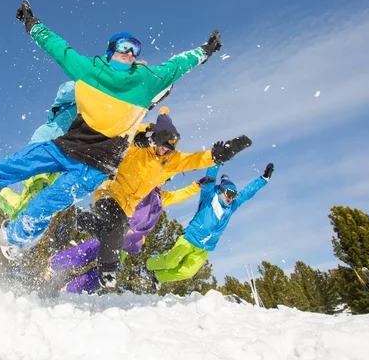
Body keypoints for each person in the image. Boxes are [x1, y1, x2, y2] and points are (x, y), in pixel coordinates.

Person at [0, 0, 223, 283]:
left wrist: (206, 50)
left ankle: (15, 237)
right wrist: (31, 23)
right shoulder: (90, 70)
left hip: (93, 168)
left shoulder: (146, 81)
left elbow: (179, 65)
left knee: (46, 203)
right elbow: (58, 48)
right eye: (123, 46)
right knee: (12, 165)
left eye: (135, 49)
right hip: (64, 147)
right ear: (111, 51)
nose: (129, 53)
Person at [75, 107, 252, 287]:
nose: (162, 150)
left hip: (127, 207)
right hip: (109, 192)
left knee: (116, 232)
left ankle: (84, 220)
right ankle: (107, 269)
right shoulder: (138, 146)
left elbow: (195, 160)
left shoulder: (171, 163)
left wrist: (218, 155)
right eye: (160, 145)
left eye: (167, 148)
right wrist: (145, 136)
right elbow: (123, 135)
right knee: (118, 228)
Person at [45, 177, 213, 294]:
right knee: (86, 253)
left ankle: (70, 291)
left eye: (166, 179)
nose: (162, 182)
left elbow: (179, 195)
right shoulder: (141, 188)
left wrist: (196, 185)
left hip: (130, 243)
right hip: (117, 233)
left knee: (103, 272)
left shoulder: (161, 198)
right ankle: (54, 264)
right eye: (161, 177)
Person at [140, 163, 275, 289]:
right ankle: (147, 265)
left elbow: (247, 192)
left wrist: (263, 179)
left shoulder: (232, 206)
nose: (232, 198)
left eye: (234, 195)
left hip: (205, 247)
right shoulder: (209, 195)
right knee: (170, 262)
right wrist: (217, 162)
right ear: (221, 191)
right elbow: (210, 178)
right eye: (229, 193)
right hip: (190, 238)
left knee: (187, 272)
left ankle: (157, 277)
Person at [0, 81, 77, 221]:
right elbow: (64, 91)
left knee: (46, 206)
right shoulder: (75, 100)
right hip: (41, 150)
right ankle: (7, 205)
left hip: (58, 164)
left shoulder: (95, 116)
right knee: (39, 195)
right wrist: (88, 86)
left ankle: (7, 206)